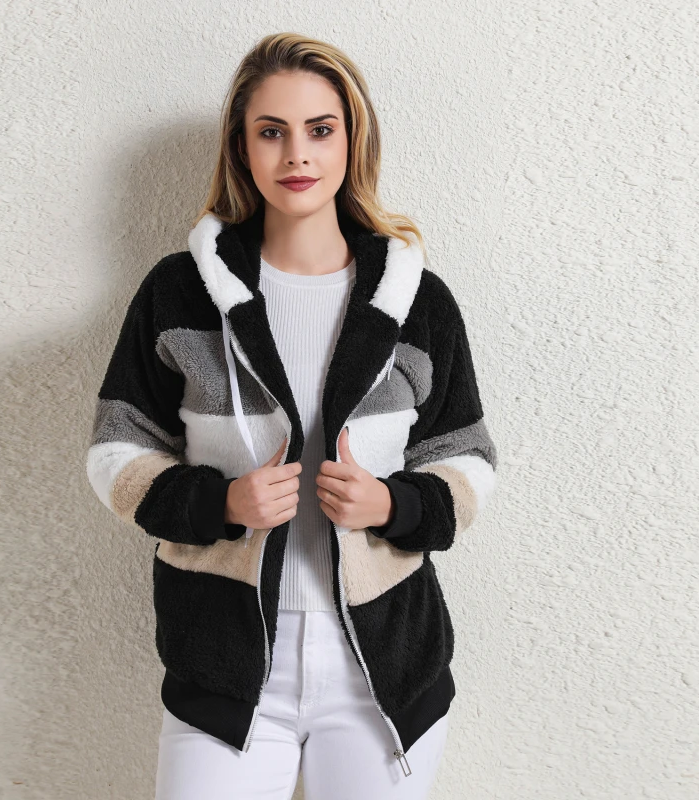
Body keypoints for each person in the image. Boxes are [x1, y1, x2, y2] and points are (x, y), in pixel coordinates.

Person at [86, 32, 498, 800]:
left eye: (320, 129)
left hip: (383, 671)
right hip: (226, 667)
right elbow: (117, 449)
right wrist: (218, 503)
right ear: (241, 147)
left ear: (352, 140)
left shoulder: (417, 301)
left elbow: (466, 457)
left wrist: (395, 505)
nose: (297, 154)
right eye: (271, 131)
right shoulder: (179, 293)